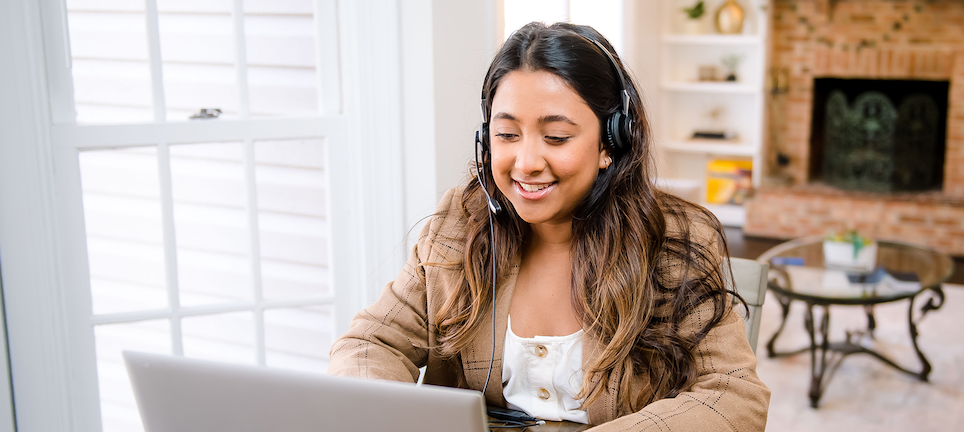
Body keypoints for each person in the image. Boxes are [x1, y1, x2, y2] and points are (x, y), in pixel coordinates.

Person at [328, 22, 770, 431]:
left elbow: (732, 395)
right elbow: (370, 343)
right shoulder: (460, 225)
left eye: (556, 137)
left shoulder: (673, 239)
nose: (526, 163)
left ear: (611, 143)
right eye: (506, 135)